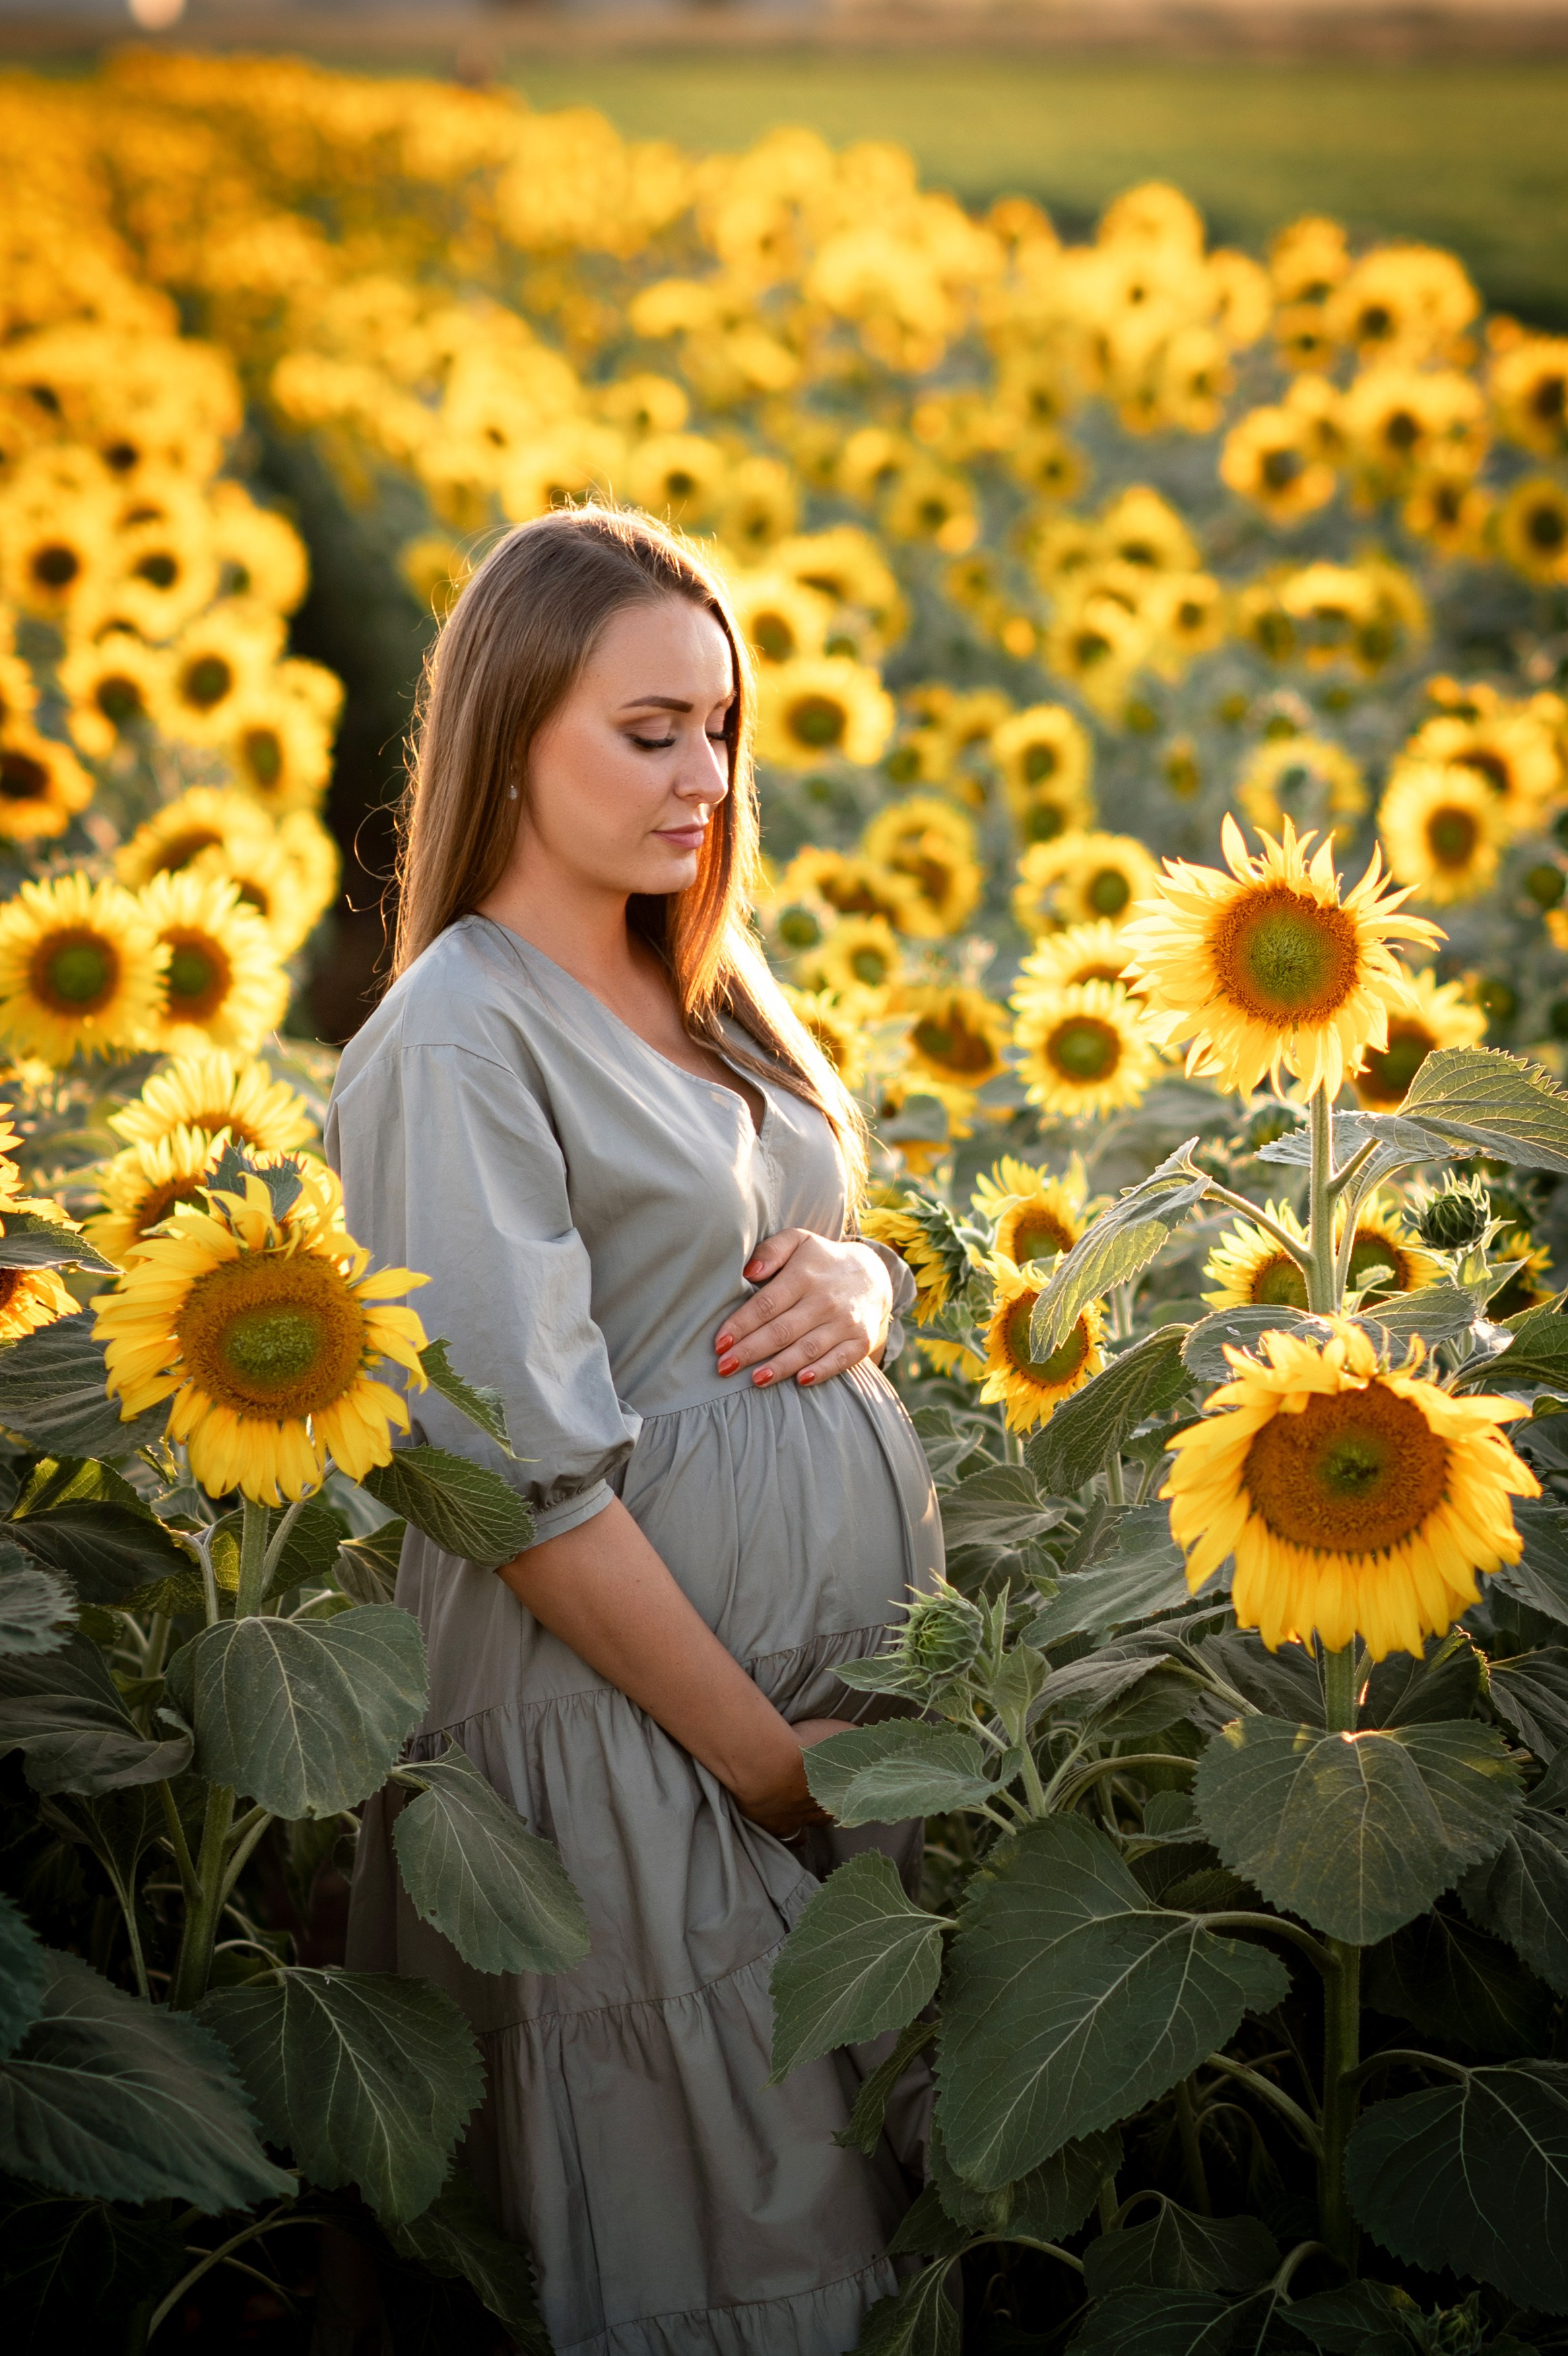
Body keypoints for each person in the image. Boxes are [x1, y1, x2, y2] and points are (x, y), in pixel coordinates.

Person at [326, 503, 943, 2355]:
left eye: (723, 727)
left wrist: (868, 1285)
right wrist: (770, 1769)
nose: (705, 775)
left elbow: (796, 1236)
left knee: (856, 2220)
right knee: (725, 2255)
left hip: (819, 1744)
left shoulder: (706, 978)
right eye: (649, 728)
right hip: (638, 1745)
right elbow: (519, 1479)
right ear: (513, 732)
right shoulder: (458, 1035)